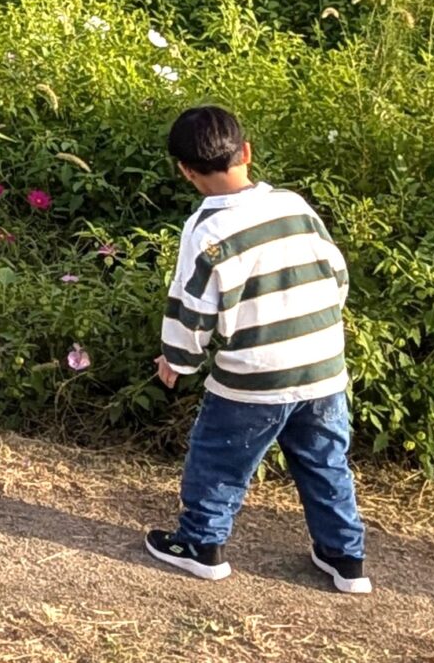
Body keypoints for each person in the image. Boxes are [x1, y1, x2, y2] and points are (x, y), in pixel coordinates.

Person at [144, 104, 369, 594]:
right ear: (246, 151)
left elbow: (192, 309)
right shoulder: (295, 205)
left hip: (254, 377)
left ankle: (201, 544)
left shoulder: (205, 231)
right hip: (323, 365)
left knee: (220, 461)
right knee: (325, 462)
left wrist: (176, 360)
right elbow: (337, 274)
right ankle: (345, 557)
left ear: (185, 171)